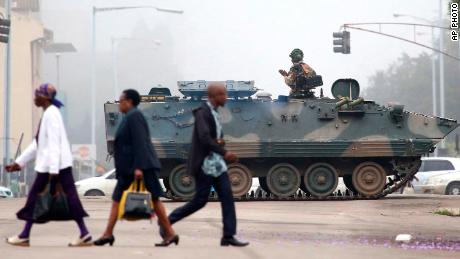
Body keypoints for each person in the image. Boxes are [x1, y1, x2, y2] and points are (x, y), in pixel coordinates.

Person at [4, 83, 92, 247]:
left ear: (45, 97)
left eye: (36, 95)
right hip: (56, 165)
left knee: (34, 198)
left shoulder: (51, 114)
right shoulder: (49, 113)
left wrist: (53, 170)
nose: (34, 98)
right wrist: (19, 163)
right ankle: (84, 233)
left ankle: (24, 235)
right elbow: (39, 144)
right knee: (70, 198)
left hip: (53, 167)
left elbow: (53, 143)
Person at [163, 82, 249, 247]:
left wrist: (219, 142)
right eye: (222, 94)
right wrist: (225, 152)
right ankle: (166, 223)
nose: (226, 97)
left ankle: (228, 236)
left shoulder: (214, 113)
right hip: (205, 164)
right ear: (213, 96)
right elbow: (203, 137)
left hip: (217, 164)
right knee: (199, 201)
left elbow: (210, 136)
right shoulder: (203, 112)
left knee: (227, 197)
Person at [93, 89, 178, 247]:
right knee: (118, 199)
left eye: (121, 100)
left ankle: (170, 233)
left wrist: (139, 167)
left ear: (129, 101)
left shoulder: (135, 117)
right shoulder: (129, 117)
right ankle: (108, 234)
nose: (119, 103)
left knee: (154, 199)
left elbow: (140, 142)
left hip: (140, 168)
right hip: (131, 168)